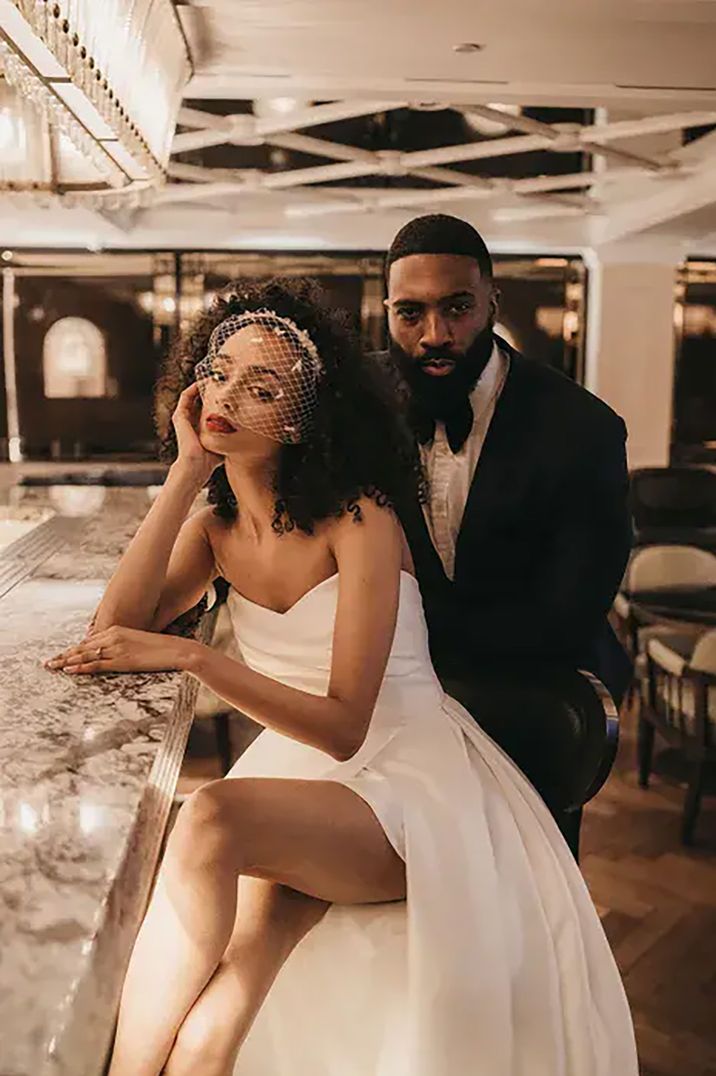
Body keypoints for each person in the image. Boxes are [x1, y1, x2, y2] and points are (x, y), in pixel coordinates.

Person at [44, 278, 638, 1076]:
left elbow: (344, 725)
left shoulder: (360, 518)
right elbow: (112, 633)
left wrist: (194, 654)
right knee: (211, 1028)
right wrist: (186, 471)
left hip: (406, 784)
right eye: (219, 373)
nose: (227, 397)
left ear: (303, 419)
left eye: (263, 388)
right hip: (299, 778)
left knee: (209, 817)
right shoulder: (214, 527)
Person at [380, 214, 633, 858]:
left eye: (457, 308)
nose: (434, 335)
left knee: (527, 895)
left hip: (535, 709)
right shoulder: (359, 400)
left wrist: (407, 638)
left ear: (493, 301)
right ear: (386, 311)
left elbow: (567, 613)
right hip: (395, 711)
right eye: (410, 313)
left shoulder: (584, 429)